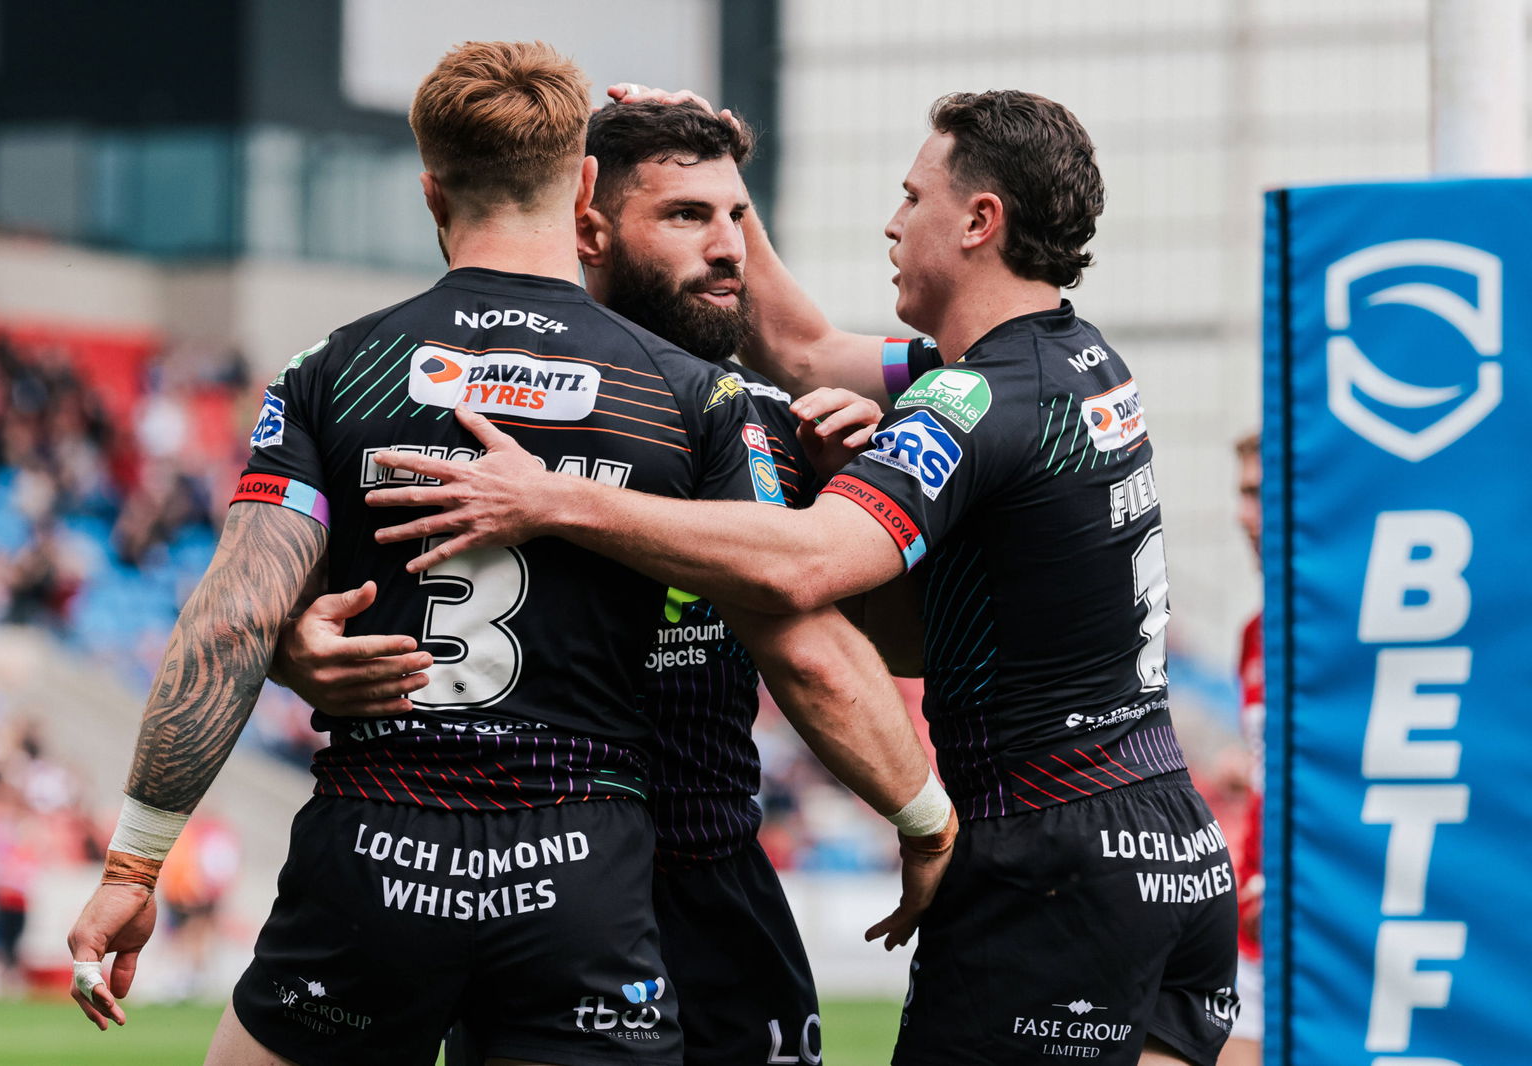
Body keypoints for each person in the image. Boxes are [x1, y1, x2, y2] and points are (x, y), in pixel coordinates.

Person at [63, 42, 945, 1066]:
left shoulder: (332, 370)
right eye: (689, 215)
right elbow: (803, 642)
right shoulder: (693, 400)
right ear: (583, 196)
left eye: (732, 218)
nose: (724, 246)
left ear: (431, 190)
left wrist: (134, 865)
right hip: (582, 862)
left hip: (381, 843)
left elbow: (229, 619)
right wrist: (925, 818)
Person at [364, 88, 1240, 1066]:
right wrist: (722, 191)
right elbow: (806, 353)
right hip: (1171, 841)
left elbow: (812, 562)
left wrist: (557, 498)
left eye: (913, 198)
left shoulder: (971, 395)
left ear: (979, 221)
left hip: (1052, 853)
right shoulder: (1079, 361)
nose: (892, 221)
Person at [1218, 433, 1263, 1066]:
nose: (1242, 515)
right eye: (1241, 494)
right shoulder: (1256, 634)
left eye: (1258, 493)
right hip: (1256, 930)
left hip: (1328, 918)